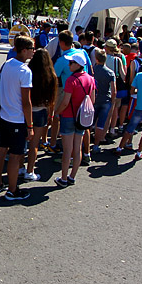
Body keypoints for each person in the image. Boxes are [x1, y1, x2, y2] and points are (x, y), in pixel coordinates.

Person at [0, 35, 34, 201]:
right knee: (16, 156)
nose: (33, 52)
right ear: (24, 50)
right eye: (31, 49)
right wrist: (30, 126)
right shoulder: (25, 71)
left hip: (4, 115)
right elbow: (26, 102)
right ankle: (12, 190)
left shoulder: (7, 64)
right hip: (17, 118)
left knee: (1, 149)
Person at [53, 51, 96, 187]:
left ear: (77, 65)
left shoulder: (71, 80)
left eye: (71, 63)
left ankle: (64, 178)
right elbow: (92, 100)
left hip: (68, 116)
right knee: (77, 148)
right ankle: (72, 176)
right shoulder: (90, 79)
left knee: (67, 150)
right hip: (82, 118)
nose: (69, 65)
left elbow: (65, 102)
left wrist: (55, 113)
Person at [24, 47, 56, 181]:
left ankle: (20, 167)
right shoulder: (51, 76)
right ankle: (30, 170)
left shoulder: (28, 72)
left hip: (27, 111)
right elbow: (52, 100)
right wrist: (51, 115)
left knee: (22, 143)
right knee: (34, 144)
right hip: (42, 111)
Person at [90, 49, 116, 154]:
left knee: (89, 123)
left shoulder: (92, 71)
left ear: (96, 59)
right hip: (106, 100)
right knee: (101, 124)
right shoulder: (110, 73)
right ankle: (96, 145)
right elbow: (114, 90)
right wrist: (113, 102)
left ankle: (85, 143)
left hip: (94, 99)